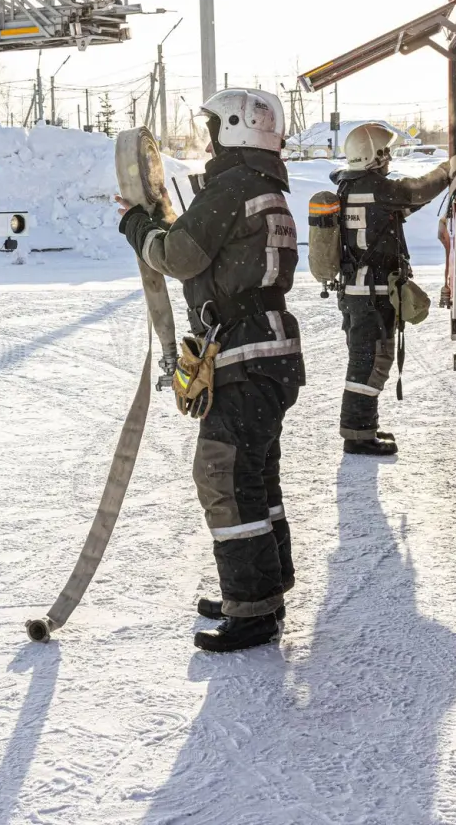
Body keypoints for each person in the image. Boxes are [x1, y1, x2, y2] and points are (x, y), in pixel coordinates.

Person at [118, 88, 303, 652]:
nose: (206, 139)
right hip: (267, 355)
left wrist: (136, 226)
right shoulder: (264, 186)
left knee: (222, 475)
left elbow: (178, 256)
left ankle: (253, 610)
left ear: (234, 131)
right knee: (254, 475)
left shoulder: (232, 187)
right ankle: (262, 585)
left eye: (212, 129)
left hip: (243, 358)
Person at [331, 123, 456, 455]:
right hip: (370, 293)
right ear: (375, 156)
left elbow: (403, 204)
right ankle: (357, 435)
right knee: (370, 361)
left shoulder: (349, 186)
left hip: (358, 292)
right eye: (385, 153)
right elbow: (415, 191)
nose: (389, 160)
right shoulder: (376, 188)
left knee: (365, 359)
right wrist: (448, 170)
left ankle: (362, 426)